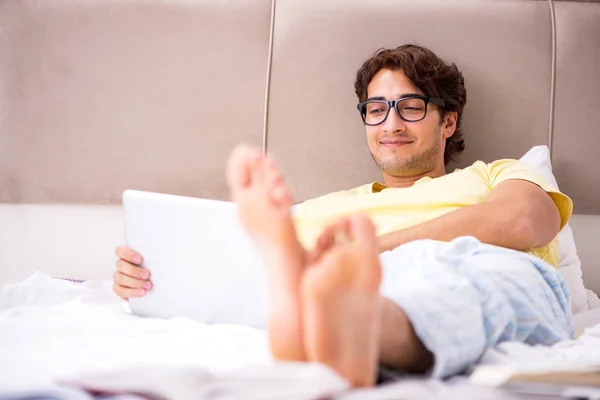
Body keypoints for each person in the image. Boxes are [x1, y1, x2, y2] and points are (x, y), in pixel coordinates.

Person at [113, 45, 573, 387]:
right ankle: (335, 322)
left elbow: (520, 222)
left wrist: (371, 249)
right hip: (357, 280)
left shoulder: (494, 175)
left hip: (481, 261)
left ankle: (343, 322)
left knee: (469, 282)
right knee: (306, 273)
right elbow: (228, 277)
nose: (391, 124)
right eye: (376, 110)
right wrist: (148, 275)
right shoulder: (321, 213)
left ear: (447, 122)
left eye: (410, 108)